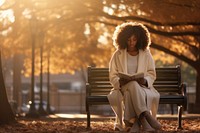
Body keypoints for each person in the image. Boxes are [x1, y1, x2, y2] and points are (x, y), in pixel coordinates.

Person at [107, 22, 161, 132]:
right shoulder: (118, 54)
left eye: (134, 40)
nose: (131, 43)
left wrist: (145, 81)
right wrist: (119, 82)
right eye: (128, 40)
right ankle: (146, 115)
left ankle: (135, 123)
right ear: (123, 39)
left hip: (142, 88)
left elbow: (151, 73)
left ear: (140, 39)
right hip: (123, 87)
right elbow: (112, 75)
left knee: (131, 89)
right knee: (131, 85)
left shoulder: (146, 53)